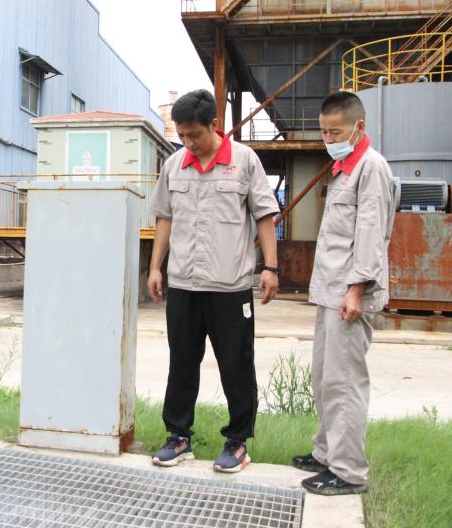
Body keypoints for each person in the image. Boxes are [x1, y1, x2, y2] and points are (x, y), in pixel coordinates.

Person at [147, 89, 280, 473]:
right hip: (184, 284)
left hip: (229, 287)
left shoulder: (244, 161)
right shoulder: (174, 165)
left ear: (214, 125)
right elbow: (164, 218)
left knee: (236, 366)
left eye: (194, 135)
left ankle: (237, 442)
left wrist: (270, 268)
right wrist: (156, 268)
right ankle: (178, 436)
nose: (188, 142)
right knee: (182, 363)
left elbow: (264, 216)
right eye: (182, 135)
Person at [292, 91, 394, 496]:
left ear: (359, 127)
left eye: (335, 132)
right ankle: (326, 452)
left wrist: (355, 290)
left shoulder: (371, 168)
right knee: (324, 377)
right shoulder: (344, 168)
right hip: (331, 291)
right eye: (323, 132)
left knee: (345, 381)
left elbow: (370, 233)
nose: (328, 138)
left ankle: (349, 471)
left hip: (350, 294)